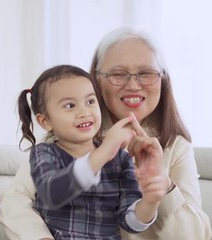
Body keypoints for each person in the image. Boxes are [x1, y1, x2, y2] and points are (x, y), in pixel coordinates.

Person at [0, 27, 212, 240]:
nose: (133, 85)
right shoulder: (69, 136)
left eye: (146, 73)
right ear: (96, 80)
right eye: (118, 74)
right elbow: (15, 202)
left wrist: (163, 185)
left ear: (162, 79)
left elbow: (194, 236)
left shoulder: (176, 147)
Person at [16, 64, 167, 239]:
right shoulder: (44, 153)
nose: (84, 112)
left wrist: (150, 202)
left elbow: (130, 223)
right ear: (45, 121)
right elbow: (52, 193)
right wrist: (104, 152)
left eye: (90, 101)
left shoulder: (121, 160)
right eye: (70, 105)